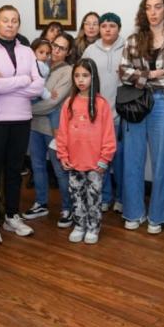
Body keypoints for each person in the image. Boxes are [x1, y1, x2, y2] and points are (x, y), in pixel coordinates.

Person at [0, 5, 45, 244]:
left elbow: (38, 86)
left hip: (22, 118)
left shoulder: (27, 51)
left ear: (19, 24)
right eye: (5, 20)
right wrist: (24, 80)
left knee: (15, 170)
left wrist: (9, 82)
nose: (10, 24)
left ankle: (12, 216)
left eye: (14, 20)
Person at [119, 0, 164, 234]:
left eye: (158, 6)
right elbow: (122, 73)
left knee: (161, 164)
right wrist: (150, 74)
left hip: (163, 105)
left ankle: (159, 216)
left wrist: (139, 77)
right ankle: (133, 212)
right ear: (143, 11)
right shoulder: (133, 40)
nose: (153, 12)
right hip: (135, 104)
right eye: (148, 7)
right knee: (132, 161)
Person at [56, 58, 117, 244]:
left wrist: (105, 158)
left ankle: (93, 227)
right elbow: (62, 132)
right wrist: (63, 155)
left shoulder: (101, 104)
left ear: (93, 77)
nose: (81, 80)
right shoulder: (69, 103)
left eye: (85, 75)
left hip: (95, 163)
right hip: (74, 162)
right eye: (77, 76)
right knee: (76, 196)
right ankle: (79, 225)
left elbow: (108, 134)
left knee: (94, 197)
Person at [23, 32, 74, 226]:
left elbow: (53, 102)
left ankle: (68, 208)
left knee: (60, 170)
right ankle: (41, 203)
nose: (56, 50)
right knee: (37, 167)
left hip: (54, 129)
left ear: (68, 52)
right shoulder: (39, 65)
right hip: (34, 126)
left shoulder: (68, 71)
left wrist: (24, 109)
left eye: (62, 48)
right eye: (55, 45)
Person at [82, 12, 125, 213]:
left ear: (119, 28)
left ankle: (121, 198)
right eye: (104, 26)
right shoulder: (90, 50)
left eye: (112, 26)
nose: (107, 29)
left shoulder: (128, 48)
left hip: (121, 115)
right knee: (101, 159)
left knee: (120, 159)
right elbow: (82, 79)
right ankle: (105, 196)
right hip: (97, 115)